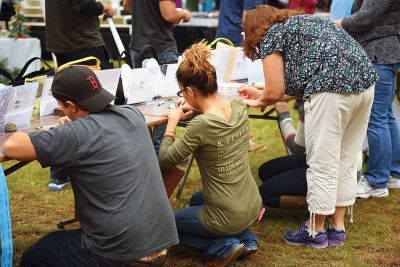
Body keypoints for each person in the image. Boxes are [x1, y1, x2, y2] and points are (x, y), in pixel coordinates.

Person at [3, 66, 179, 266]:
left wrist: (68, 130)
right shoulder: (133, 114)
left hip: (121, 252)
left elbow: (12, 146)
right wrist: (71, 126)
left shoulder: (77, 134)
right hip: (161, 245)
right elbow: (94, 134)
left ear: (71, 106)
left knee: (34, 257)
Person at [239, 5, 377, 248]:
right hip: (364, 85)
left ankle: (315, 230)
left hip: (333, 91)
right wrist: (260, 91)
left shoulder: (270, 36)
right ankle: (338, 228)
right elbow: (296, 83)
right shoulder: (305, 24)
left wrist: (258, 100)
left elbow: (276, 92)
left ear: (254, 28)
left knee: (322, 162)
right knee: (345, 159)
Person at [158, 43, 263, 266]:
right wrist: (196, 109)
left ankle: (224, 246)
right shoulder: (238, 106)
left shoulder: (201, 125)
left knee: (165, 223)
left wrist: (172, 123)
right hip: (252, 204)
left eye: (182, 93)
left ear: (191, 92)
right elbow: (215, 120)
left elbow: (165, 160)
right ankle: (247, 238)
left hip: (226, 216)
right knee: (197, 198)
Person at [337, 0, 400, 198]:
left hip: (379, 52)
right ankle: (392, 173)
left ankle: (376, 181)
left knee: (377, 118)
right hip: (384, 51)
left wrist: (337, 24)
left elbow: (366, 17)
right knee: (386, 116)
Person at [45, 0, 115, 69]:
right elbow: (86, 5)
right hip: (81, 42)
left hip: (62, 42)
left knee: (69, 79)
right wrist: (104, 7)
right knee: (105, 78)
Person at [123, 0, 191, 68]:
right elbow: (169, 15)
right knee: (168, 78)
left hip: (137, 48)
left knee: (141, 78)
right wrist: (184, 14)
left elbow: (127, 6)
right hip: (161, 49)